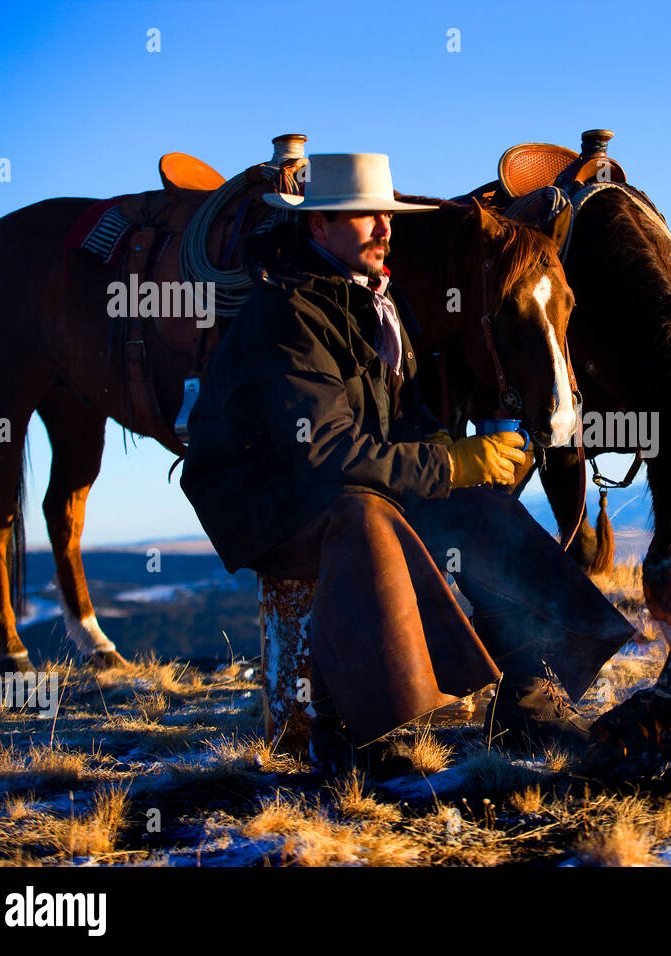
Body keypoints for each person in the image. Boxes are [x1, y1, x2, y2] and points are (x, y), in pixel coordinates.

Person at [179, 153, 633, 773]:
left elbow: (405, 429)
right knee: (365, 517)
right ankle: (367, 735)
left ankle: (532, 696)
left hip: (343, 479)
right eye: (366, 216)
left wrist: (465, 467)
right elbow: (325, 453)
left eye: (387, 215)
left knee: (480, 512)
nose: (385, 228)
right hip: (273, 499)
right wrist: (450, 463)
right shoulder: (286, 315)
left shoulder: (382, 308)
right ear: (318, 227)